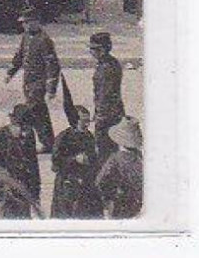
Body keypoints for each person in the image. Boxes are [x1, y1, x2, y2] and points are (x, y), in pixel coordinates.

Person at [6, 11, 60, 152]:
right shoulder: (26, 37)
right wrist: (11, 72)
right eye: (24, 23)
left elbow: (52, 65)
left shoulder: (44, 40)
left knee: (32, 111)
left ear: (36, 22)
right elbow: (20, 56)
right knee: (39, 112)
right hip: (28, 82)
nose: (24, 25)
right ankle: (47, 142)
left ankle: (24, 140)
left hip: (39, 83)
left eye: (27, 22)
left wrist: (51, 88)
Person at [0, 104, 42, 204]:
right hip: (3, 192)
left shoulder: (29, 135)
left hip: (24, 193)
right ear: (12, 123)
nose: (24, 133)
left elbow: (33, 165)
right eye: (21, 128)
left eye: (27, 128)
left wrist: (36, 194)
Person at [51, 106, 104, 219]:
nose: (87, 124)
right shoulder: (63, 137)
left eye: (88, 121)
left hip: (86, 184)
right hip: (67, 185)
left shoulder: (89, 136)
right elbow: (55, 164)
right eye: (83, 121)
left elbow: (94, 160)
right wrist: (74, 159)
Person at [96, 118, 143, 219]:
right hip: (138, 203)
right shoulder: (140, 158)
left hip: (120, 204)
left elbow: (100, 181)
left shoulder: (116, 158)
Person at [90, 32, 126, 160]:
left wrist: (100, 115)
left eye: (94, 49)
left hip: (108, 114)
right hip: (110, 112)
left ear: (103, 49)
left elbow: (106, 94)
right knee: (108, 148)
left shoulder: (107, 67)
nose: (91, 52)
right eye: (91, 49)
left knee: (105, 149)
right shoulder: (106, 63)